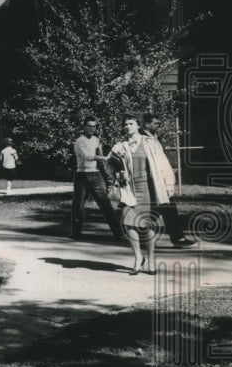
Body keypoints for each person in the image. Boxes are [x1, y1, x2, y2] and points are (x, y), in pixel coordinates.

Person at [107, 113, 177, 275]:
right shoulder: (119, 146)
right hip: (129, 190)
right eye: (125, 124)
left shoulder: (151, 143)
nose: (127, 127)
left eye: (131, 123)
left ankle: (151, 259)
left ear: (138, 126)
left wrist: (168, 185)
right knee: (128, 222)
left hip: (149, 188)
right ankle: (138, 258)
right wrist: (118, 175)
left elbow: (164, 164)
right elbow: (108, 164)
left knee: (149, 224)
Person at [142, 113, 196, 247]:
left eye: (159, 124)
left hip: (160, 179)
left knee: (163, 208)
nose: (158, 126)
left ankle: (176, 238)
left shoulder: (156, 138)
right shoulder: (141, 138)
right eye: (155, 123)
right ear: (147, 124)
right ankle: (176, 238)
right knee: (161, 208)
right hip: (150, 179)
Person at [71, 117, 123, 240]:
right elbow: (87, 156)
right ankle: (75, 233)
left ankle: (118, 233)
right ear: (84, 126)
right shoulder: (80, 141)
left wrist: (107, 176)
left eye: (94, 126)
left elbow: (100, 161)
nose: (91, 128)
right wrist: (104, 157)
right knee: (78, 206)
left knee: (106, 204)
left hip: (96, 175)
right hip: (82, 176)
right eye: (89, 126)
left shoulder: (96, 140)